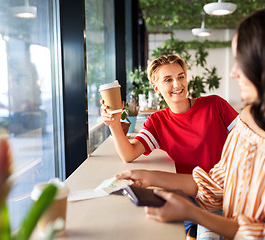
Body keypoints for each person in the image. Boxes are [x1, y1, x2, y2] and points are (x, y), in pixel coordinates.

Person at [116, 3, 265, 239]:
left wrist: (194, 214)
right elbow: (219, 182)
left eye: (243, 60)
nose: (233, 72)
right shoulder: (250, 119)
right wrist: (150, 177)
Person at [101, 55, 238, 239]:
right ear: (156, 87)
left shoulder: (215, 105)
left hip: (223, 194)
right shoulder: (158, 122)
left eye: (181, 77)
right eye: (168, 80)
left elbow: (249, 139)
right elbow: (129, 153)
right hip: (189, 196)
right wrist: (114, 124)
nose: (177, 84)